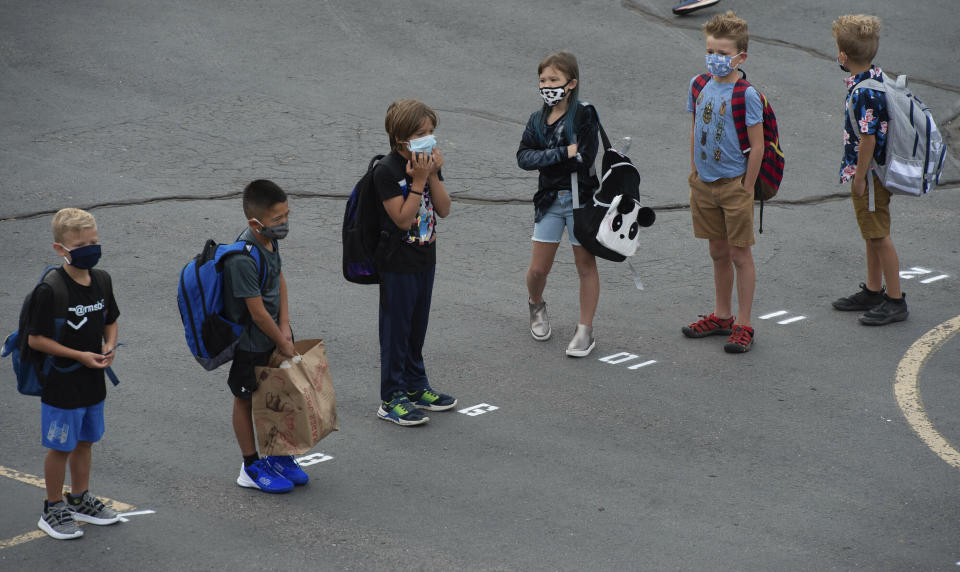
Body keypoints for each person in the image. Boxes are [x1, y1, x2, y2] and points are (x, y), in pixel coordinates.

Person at [28, 208, 121, 539]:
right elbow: (35, 339)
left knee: (85, 441)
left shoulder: (102, 280)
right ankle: (53, 507)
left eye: (94, 241)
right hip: (62, 382)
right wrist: (79, 355)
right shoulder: (50, 290)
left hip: (93, 379)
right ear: (60, 249)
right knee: (61, 447)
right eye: (81, 244)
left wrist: (109, 345)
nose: (90, 249)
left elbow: (110, 318)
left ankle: (80, 499)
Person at [681, 11, 763, 353]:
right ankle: (722, 315)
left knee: (739, 254)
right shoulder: (699, 85)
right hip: (704, 184)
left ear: (740, 57)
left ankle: (744, 323)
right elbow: (695, 128)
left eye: (722, 53)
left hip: (734, 185)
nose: (715, 58)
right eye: (710, 51)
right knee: (717, 251)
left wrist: (746, 187)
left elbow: (757, 145)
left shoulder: (747, 95)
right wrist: (694, 173)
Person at [373, 99, 456, 426]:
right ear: (400, 138)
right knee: (396, 330)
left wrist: (432, 175)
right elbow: (403, 220)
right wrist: (418, 181)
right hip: (397, 264)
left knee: (417, 326)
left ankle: (415, 385)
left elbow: (444, 209)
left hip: (425, 259)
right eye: (421, 133)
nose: (429, 139)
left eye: (431, 132)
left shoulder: (428, 165)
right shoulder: (387, 171)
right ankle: (391, 397)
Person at [223, 179, 308, 493]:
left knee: (279, 392)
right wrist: (280, 339)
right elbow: (257, 311)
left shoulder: (270, 241)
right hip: (251, 344)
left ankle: (279, 455)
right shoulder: (242, 258)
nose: (284, 224)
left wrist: (285, 327)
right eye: (277, 219)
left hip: (275, 336)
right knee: (245, 400)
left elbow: (278, 279)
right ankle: (251, 466)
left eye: (286, 216)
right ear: (254, 222)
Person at [517, 51, 601, 358]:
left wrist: (554, 159)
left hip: (581, 202)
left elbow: (586, 159)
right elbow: (523, 157)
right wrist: (561, 154)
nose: (547, 85)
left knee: (585, 266)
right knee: (538, 268)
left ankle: (585, 330)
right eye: (543, 80)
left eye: (554, 79)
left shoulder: (584, 115)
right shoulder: (537, 120)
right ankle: (535, 304)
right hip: (550, 200)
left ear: (571, 83)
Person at [830, 15, 907, 325]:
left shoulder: (864, 92)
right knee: (871, 233)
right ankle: (874, 289)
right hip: (872, 172)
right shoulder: (873, 77)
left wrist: (860, 177)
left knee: (879, 235)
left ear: (843, 56)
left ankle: (895, 300)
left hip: (871, 174)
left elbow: (868, 138)